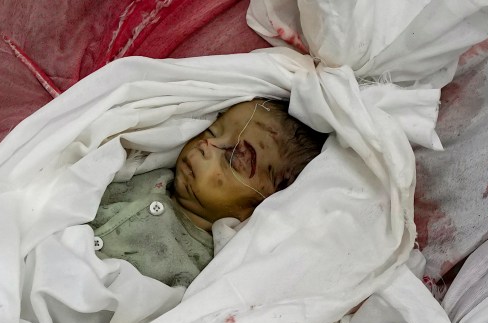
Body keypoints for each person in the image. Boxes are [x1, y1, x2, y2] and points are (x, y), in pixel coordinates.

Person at [90, 98, 322, 288]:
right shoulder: (138, 170)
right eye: (211, 131)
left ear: (262, 207)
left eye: (233, 158)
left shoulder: (204, 272)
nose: (207, 145)